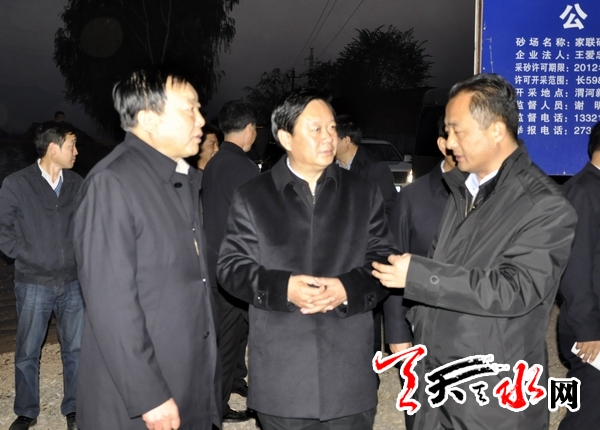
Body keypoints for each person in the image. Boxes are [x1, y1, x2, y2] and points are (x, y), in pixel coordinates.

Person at [372, 73, 577, 430]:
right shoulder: (465, 190)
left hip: (491, 397)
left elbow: (516, 290)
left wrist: (418, 274)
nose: (449, 142)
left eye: (458, 131)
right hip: (438, 382)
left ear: (496, 130)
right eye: (447, 131)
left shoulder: (544, 205)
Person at [217, 88, 395, 429]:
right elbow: (231, 268)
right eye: (316, 129)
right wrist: (283, 287)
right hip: (282, 375)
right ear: (286, 137)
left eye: (332, 128)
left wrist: (347, 289)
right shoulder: (253, 196)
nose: (329, 137)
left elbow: (385, 260)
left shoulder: (362, 193)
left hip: (348, 375)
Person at [73, 69, 220, 430]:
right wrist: (149, 395)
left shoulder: (182, 179)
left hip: (187, 379)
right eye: (189, 109)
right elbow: (112, 304)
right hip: (141, 401)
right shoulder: (113, 183)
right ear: (149, 118)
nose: (201, 120)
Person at [0, 123, 83, 430]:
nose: (76, 152)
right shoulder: (17, 183)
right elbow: (2, 228)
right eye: (72, 145)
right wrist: (27, 253)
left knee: (76, 350)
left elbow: (89, 224)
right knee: (27, 351)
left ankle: (74, 407)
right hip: (33, 282)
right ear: (53, 148)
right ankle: (26, 411)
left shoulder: (77, 182)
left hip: (73, 281)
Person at [202, 100, 259, 423]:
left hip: (214, 264)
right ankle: (216, 409)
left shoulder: (214, 163)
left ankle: (235, 382)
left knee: (235, 334)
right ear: (249, 129)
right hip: (237, 270)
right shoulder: (244, 168)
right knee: (229, 340)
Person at [384, 114, 456, 355]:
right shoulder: (413, 197)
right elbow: (393, 261)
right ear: (443, 144)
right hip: (428, 328)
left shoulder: (496, 195)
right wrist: (397, 333)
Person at [558, 121, 600, 429]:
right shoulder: (583, 191)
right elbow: (574, 267)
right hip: (590, 330)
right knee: (588, 415)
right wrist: (588, 329)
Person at [334, 114, 397, 216]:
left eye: (331, 139)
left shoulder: (375, 168)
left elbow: (389, 209)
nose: (325, 144)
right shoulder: (328, 167)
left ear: (346, 140)